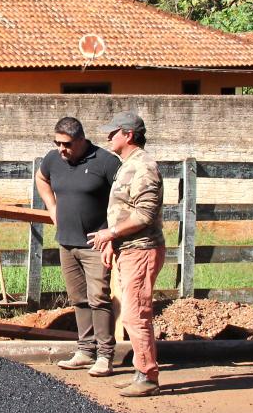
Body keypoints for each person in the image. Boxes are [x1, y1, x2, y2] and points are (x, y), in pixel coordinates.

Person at [36, 116, 119, 377]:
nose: (62, 149)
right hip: (67, 242)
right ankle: (85, 351)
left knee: (99, 299)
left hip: (96, 244)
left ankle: (105, 355)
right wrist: (51, 207)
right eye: (57, 143)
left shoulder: (105, 162)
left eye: (67, 144)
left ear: (82, 140)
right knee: (79, 299)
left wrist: (111, 236)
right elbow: (41, 178)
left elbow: (123, 197)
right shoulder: (53, 160)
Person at [89, 113, 165, 397]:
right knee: (133, 314)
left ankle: (147, 376)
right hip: (129, 249)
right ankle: (140, 371)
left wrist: (110, 234)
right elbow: (124, 210)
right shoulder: (128, 165)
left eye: (113, 133)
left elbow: (144, 214)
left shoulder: (144, 167)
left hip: (142, 250)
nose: (109, 138)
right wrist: (113, 241)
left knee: (136, 314)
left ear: (128, 135)